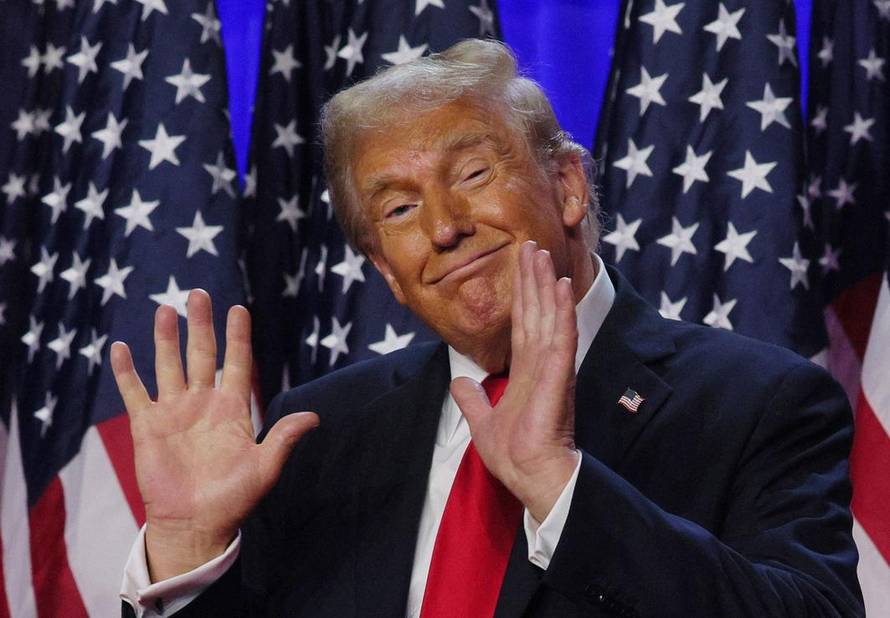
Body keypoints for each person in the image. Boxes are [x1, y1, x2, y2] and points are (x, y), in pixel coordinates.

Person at [116, 40, 863, 617]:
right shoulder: (320, 434)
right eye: (399, 210)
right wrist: (188, 545)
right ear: (383, 269)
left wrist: (557, 484)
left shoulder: (760, 402)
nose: (443, 228)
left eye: (473, 174)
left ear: (568, 185)